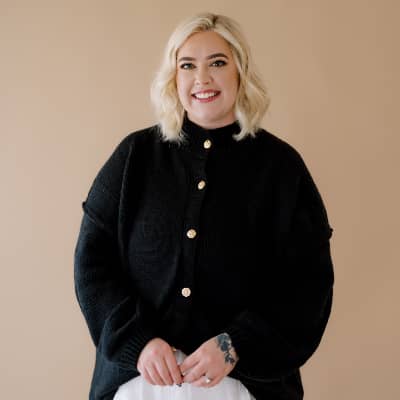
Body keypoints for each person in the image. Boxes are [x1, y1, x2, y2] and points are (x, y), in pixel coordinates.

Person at [74, 12, 334, 400]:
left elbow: (308, 284)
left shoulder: (282, 168)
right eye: (187, 65)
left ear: (240, 71)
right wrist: (138, 342)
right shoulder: (134, 157)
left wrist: (235, 345)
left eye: (217, 63)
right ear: (173, 77)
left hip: (245, 386)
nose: (202, 78)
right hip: (140, 385)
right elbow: (92, 264)